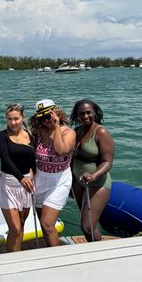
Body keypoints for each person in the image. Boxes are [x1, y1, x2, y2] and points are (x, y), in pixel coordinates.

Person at [29, 99, 76, 247]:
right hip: (40, 179)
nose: (46, 120)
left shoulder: (69, 132)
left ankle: (58, 258)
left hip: (59, 181)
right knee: (44, 225)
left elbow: (61, 151)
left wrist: (56, 127)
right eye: (42, 118)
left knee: (48, 223)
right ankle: (51, 250)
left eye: (48, 116)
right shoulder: (37, 132)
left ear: (57, 114)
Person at [70, 99, 114, 242]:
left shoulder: (101, 132)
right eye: (81, 113)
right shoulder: (76, 131)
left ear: (95, 113)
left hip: (97, 183)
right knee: (90, 225)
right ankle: (94, 250)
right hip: (77, 182)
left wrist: (93, 175)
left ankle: (99, 253)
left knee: (87, 226)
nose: (85, 116)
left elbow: (107, 162)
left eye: (88, 112)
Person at [0, 103, 36, 252]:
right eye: (9, 119)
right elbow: (6, 159)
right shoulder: (1, 137)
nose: (13, 122)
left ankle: (17, 255)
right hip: (8, 185)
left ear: (22, 118)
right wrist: (21, 178)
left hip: (27, 185)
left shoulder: (30, 134)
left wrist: (34, 173)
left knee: (22, 224)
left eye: (16, 119)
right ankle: (10, 260)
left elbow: (33, 158)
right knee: (15, 228)